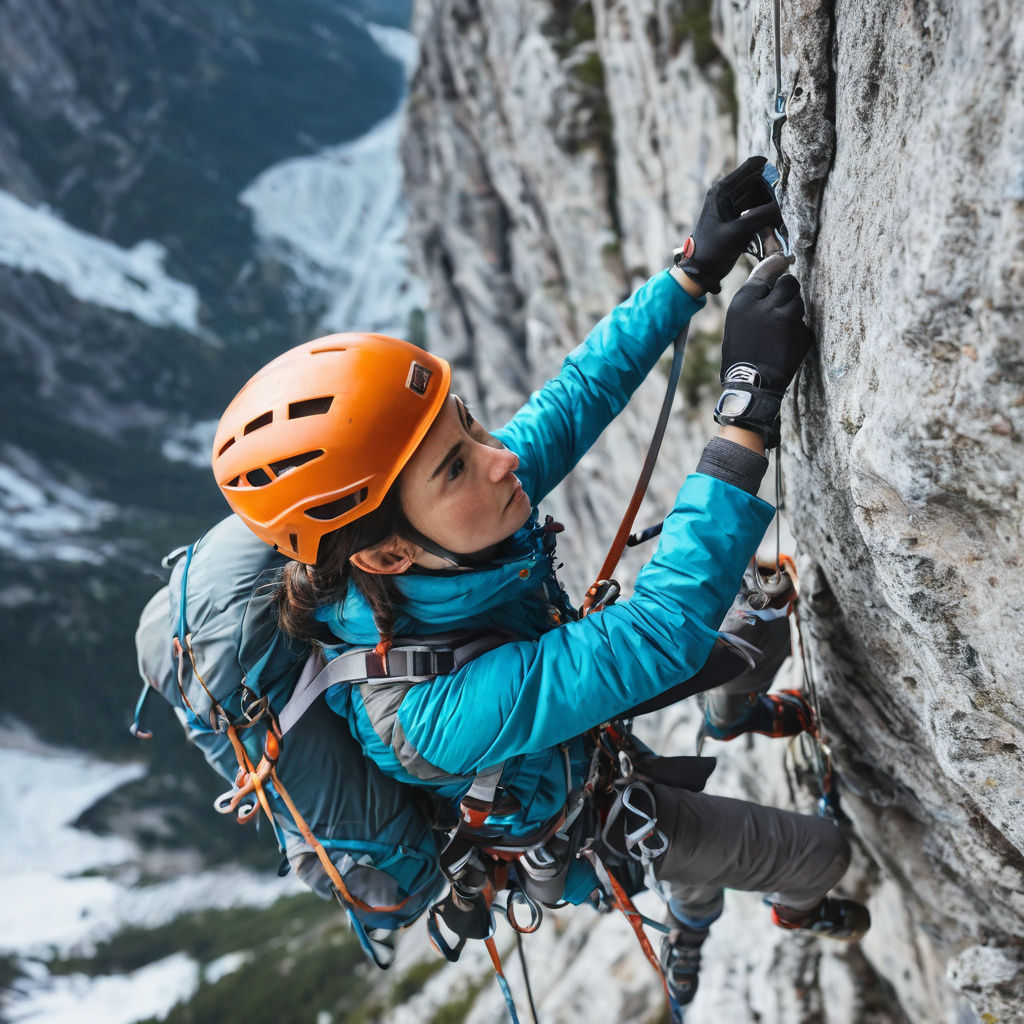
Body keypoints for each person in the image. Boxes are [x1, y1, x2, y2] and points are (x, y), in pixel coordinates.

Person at [211, 157, 868, 1019]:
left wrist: (689, 271)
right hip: (587, 826)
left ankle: (734, 720)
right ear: (382, 557)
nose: (501, 456)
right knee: (815, 853)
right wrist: (745, 408)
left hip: (573, 721)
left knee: (762, 628)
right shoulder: (421, 718)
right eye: (458, 463)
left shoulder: (449, 521)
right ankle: (768, 907)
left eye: (470, 424)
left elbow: (575, 397)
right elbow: (655, 634)